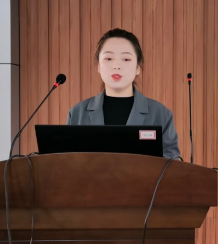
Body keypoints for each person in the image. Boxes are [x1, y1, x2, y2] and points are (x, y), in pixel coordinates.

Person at [66, 28, 180, 158]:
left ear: (137, 68)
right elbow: (67, 163)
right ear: (98, 66)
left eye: (126, 59)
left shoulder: (161, 114)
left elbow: (172, 164)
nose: (116, 66)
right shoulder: (77, 113)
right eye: (109, 58)